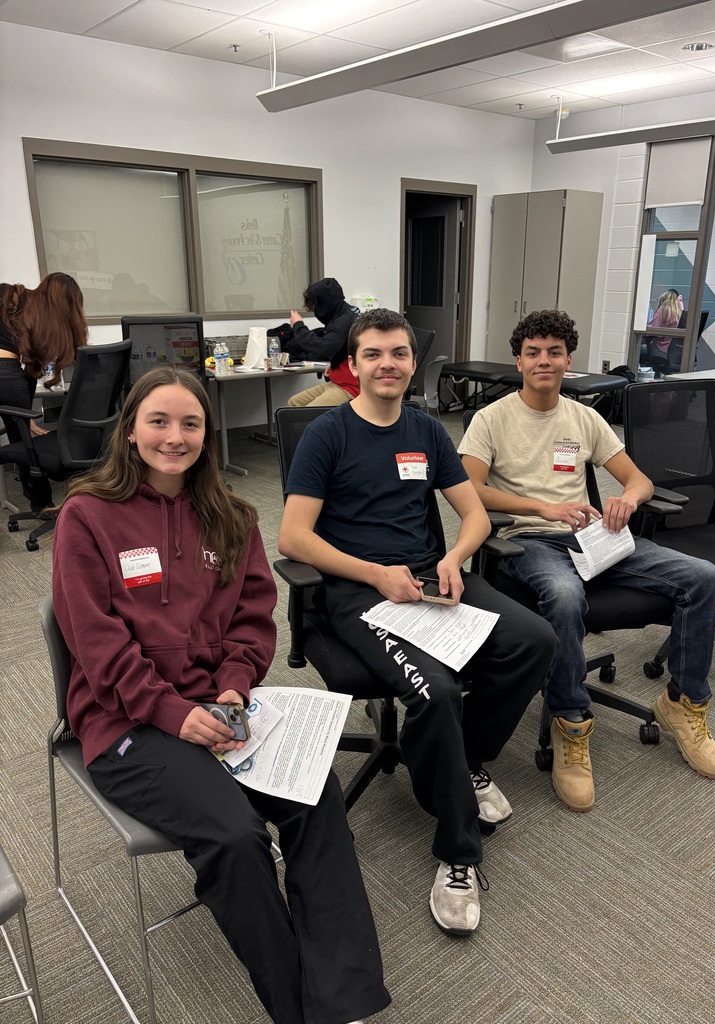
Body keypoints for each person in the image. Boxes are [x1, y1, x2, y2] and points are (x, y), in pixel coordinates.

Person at [52, 366, 390, 1024]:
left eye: (190, 424)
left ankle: (342, 999)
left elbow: (253, 624)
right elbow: (97, 647)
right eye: (158, 421)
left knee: (315, 793)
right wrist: (175, 714)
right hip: (128, 721)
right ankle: (298, 1011)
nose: (173, 437)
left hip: (220, 707)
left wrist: (234, 691)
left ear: (209, 436)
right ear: (129, 430)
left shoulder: (231, 517)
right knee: (237, 839)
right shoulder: (85, 517)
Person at [278, 308, 556, 936]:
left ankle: (463, 760)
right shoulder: (327, 435)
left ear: (413, 361)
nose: (387, 365)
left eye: (399, 353)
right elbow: (293, 537)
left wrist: (456, 557)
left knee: (536, 640)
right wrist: (376, 574)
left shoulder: (427, 431)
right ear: (352, 364)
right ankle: (457, 854)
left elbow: (475, 514)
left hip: (433, 581)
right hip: (360, 593)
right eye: (373, 354)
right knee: (435, 689)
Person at [458, 309, 715, 815]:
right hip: (527, 541)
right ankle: (570, 721)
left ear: (568, 360)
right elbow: (468, 488)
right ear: (518, 360)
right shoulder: (491, 418)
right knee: (563, 595)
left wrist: (628, 498)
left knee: (702, 577)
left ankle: (683, 704)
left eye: (554, 352)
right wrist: (543, 508)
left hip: (592, 537)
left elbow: (639, 479)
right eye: (533, 352)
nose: (544, 361)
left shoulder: (584, 417)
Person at [0, 272, 87, 509]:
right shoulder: (42, 314)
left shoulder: (14, 296)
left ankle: (39, 501)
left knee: (22, 436)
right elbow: (31, 366)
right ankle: (43, 505)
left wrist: (23, 410)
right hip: (5, 372)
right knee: (24, 442)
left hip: (7, 372)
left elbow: (29, 366)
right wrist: (23, 412)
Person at [286, 278, 360, 406]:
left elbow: (322, 349)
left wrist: (298, 325)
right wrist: (335, 364)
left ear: (325, 304)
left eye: (315, 307)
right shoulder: (348, 313)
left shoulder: (342, 322)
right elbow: (345, 347)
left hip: (350, 387)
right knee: (294, 403)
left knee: (305, 414)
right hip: (338, 381)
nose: (315, 312)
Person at [647, 288, 684, 357]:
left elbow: (651, 330)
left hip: (662, 347)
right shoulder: (680, 311)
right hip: (674, 350)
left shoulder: (664, 309)